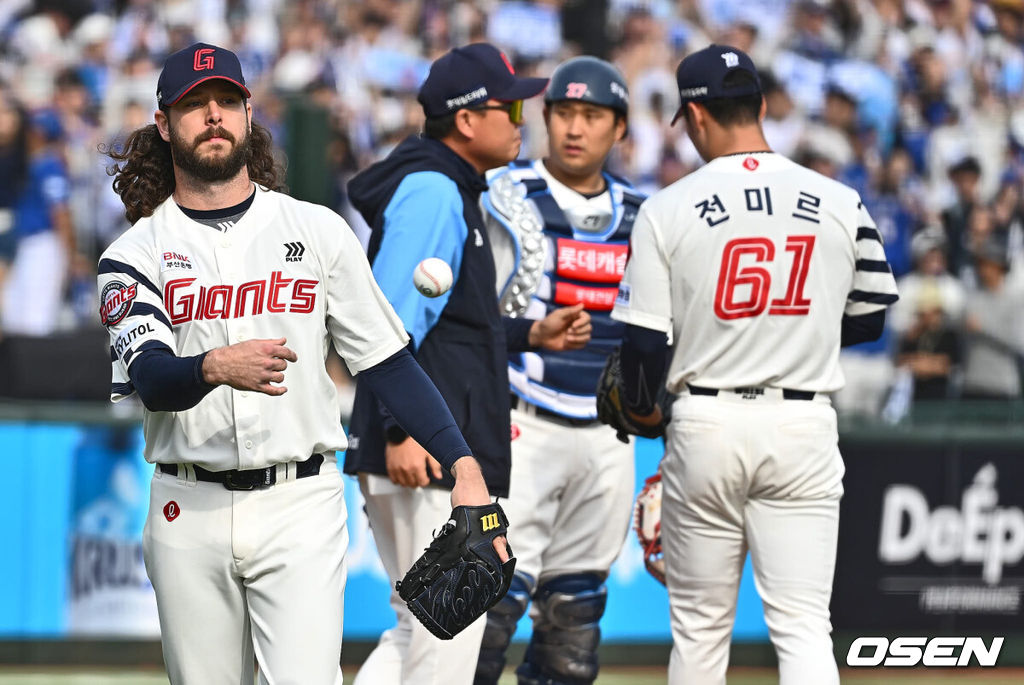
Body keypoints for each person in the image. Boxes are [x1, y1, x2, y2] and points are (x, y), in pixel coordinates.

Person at [98, 43, 506, 685]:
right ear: (163, 123)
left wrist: (462, 463)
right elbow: (152, 380)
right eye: (193, 105)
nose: (213, 115)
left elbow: (388, 362)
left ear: (248, 112)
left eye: (226, 101)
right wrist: (212, 366)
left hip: (301, 499)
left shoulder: (316, 230)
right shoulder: (134, 253)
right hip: (187, 505)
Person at [607, 45, 899, 684]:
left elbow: (643, 350)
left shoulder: (667, 208)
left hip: (706, 420)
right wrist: (793, 336)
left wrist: (643, 406)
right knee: (802, 628)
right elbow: (872, 315)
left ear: (694, 117)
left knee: (701, 632)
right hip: (802, 421)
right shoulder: (840, 200)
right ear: (762, 106)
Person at [343, 43, 590, 685]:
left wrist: (530, 333)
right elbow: (385, 331)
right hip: (426, 447)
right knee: (444, 637)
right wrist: (401, 430)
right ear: (466, 119)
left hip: (427, 437)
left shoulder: (444, 185)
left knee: (416, 625)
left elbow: (452, 328)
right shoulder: (432, 191)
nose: (521, 118)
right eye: (510, 106)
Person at [474, 56, 641, 685]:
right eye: (563, 112)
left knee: (575, 621)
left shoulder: (645, 214)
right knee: (482, 609)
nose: (574, 127)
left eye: (592, 115)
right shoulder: (499, 192)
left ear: (619, 129)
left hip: (606, 434)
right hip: (518, 420)